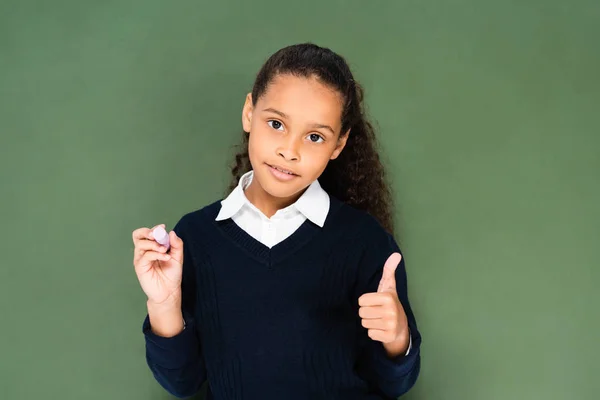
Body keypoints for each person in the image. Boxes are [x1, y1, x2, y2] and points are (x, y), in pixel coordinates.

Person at [131, 43, 421, 400]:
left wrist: (397, 338)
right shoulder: (195, 237)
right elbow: (182, 383)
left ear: (339, 145)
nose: (290, 150)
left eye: (314, 136)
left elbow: (393, 384)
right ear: (249, 112)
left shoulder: (365, 243)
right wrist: (164, 305)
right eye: (276, 124)